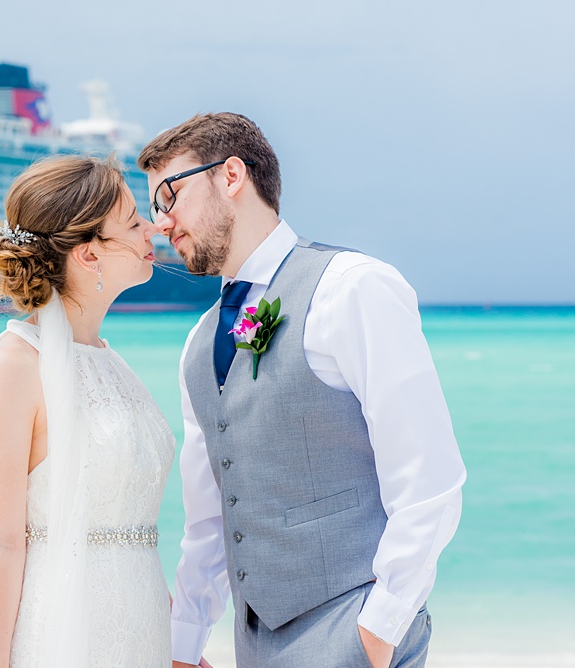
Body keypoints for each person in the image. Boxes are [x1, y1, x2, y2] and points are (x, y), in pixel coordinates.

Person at [137, 113, 467, 668]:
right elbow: (211, 518)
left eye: (170, 196)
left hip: (353, 635)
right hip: (254, 645)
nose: (162, 223)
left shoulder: (353, 288)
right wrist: (184, 645)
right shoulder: (198, 343)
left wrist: (378, 631)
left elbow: (429, 480)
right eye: (154, 208)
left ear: (232, 175)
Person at [0, 155, 177, 667]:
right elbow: (0, 544)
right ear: (88, 255)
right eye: (132, 221)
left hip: (144, 629)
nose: (154, 227)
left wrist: (180, 642)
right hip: (63, 634)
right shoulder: (13, 366)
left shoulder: (111, 360)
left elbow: (130, 524)